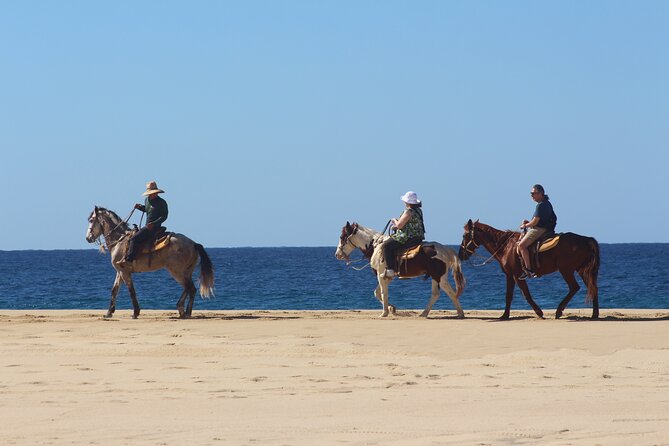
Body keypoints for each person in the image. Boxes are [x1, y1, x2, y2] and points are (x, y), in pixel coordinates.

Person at [119, 180, 169, 265]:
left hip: (154, 227)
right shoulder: (147, 200)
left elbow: (164, 216)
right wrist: (140, 207)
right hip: (147, 226)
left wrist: (154, 223)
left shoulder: (162, 202)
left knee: (134, 239)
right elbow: (147, 210)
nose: (153, 194)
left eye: (154, 193)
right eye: (151, 193)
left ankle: (129, 260)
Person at [381, 191, 426, 278]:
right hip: (418, 236)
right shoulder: (418, 211)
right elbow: (411, 223)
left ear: (407, 202)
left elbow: (399, 226)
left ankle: (390, 270)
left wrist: (394, 221)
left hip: (407, 236)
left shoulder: (408, 211)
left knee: (385, 246)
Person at [518, 184, 557, 280]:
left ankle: (528, 269)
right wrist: (529, 223)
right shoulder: (547, 203)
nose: (531, 196)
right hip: (544, 228)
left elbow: (535, 222)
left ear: (540, 193)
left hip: (539, 229)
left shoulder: (541, 205)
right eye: (531, 193)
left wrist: (525, 225)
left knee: (521, 246)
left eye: (533, 193)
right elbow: (537, 220)